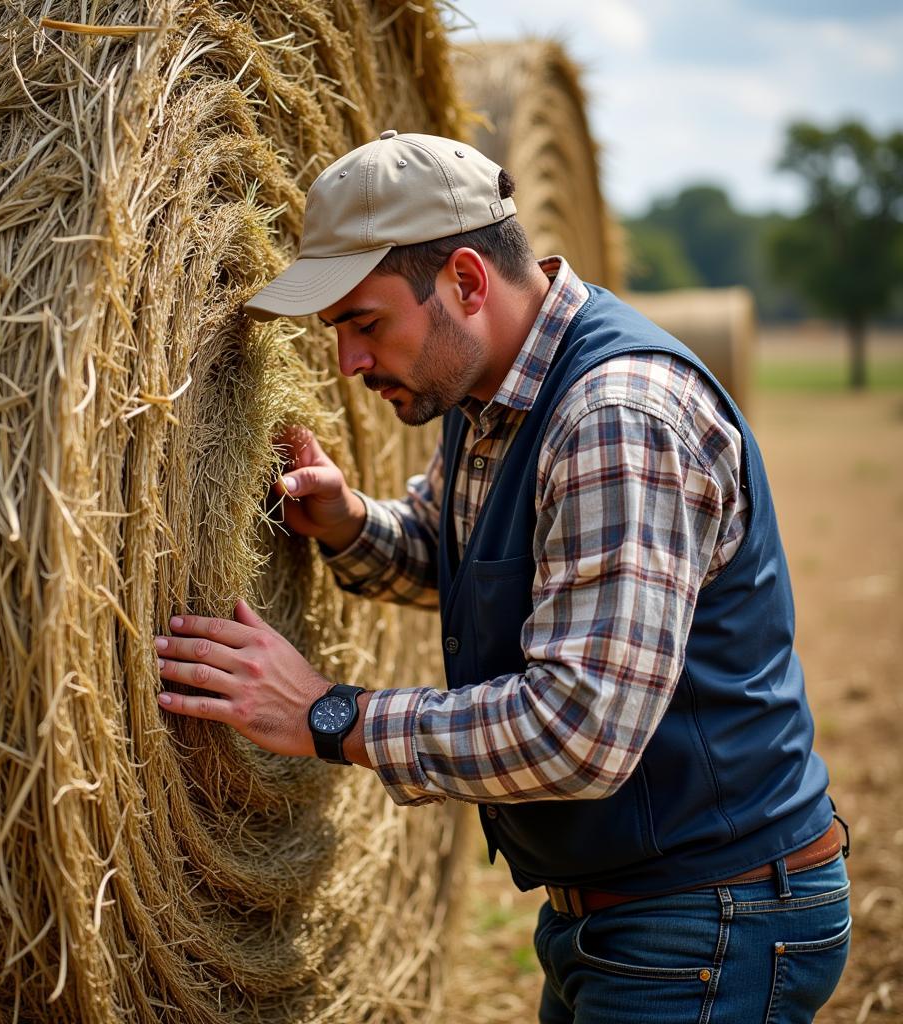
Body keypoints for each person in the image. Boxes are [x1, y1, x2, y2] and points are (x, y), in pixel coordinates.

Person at [154, 131, 850, 1023]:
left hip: (710, 917)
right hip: (626, 915)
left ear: (468, 283)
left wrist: (329, 714)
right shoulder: (491, 393)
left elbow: (578, 730)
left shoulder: (615, 418)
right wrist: (350, 520)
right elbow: (481, 564)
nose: (349, 365)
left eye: (366, 324)